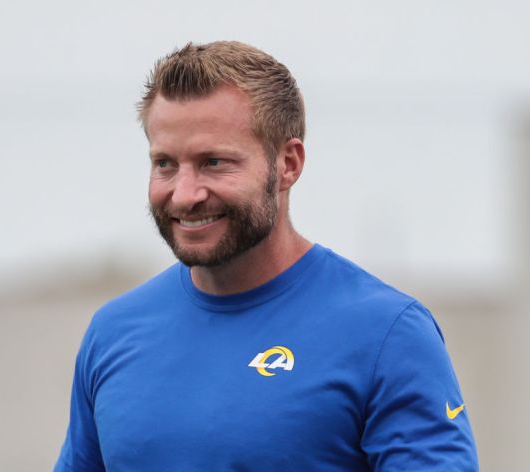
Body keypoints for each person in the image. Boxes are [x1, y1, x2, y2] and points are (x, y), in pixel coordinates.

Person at [54, 41, 478, 471]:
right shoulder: (112, 333)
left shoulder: (386, 334)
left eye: (214, 162)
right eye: (165, 164)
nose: (184, 194)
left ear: (288, 164)